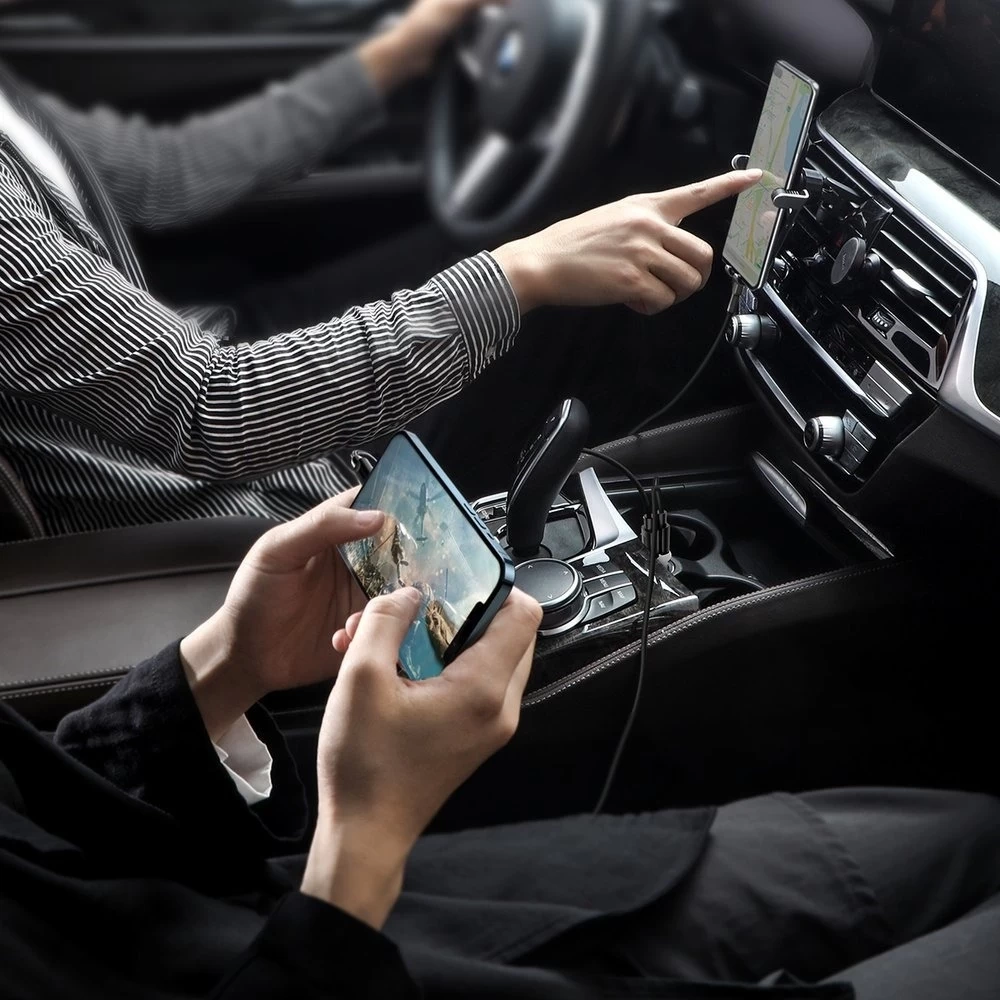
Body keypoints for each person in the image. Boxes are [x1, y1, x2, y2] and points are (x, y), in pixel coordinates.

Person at [1, 491, 998, 999]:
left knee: (972, 833)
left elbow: (35, 815)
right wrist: (364, 841)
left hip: (442, 912)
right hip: (334, 945)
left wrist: (223, 666)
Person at [0, 0, 755, 536]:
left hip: (200, 352)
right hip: (247, 496)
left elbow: (168, 176)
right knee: (581, 294)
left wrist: (410, 43)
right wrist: (524, 273)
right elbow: (210, 409)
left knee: (562, 222)